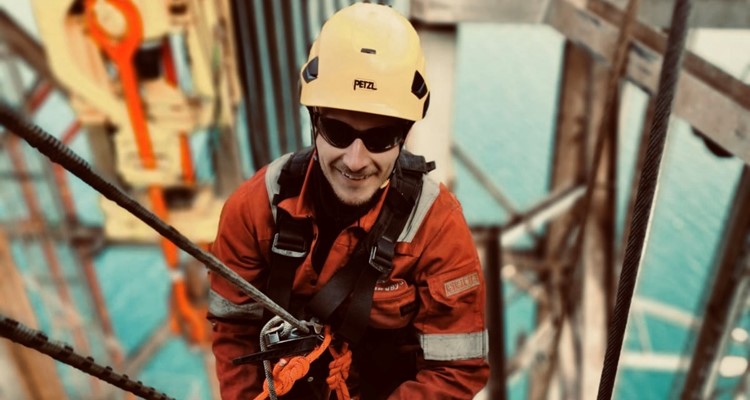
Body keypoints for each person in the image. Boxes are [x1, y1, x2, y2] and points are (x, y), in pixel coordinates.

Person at [208, 3, 489, 399]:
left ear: (404, 137)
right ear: (315, 121)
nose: (355, 161)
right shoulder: (256, 208)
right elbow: (234, 331)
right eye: (338, 131)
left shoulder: (437, 229)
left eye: (379, 139)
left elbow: (456, 370)